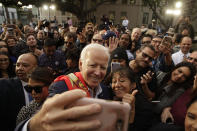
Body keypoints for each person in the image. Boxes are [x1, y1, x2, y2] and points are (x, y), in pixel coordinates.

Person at [15, 44, 113, 131]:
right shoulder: (62, 86)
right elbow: (45, 122)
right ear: (81, 64)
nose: (97, 72)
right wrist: (32, 126)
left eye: (103, 67)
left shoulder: (105, 90)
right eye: (93, 65)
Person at [0, 53, 38, 131]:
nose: (20, 68)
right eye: (17, 65)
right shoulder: (4, 85)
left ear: (36, 68)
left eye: (25, 65)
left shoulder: (45, 86)